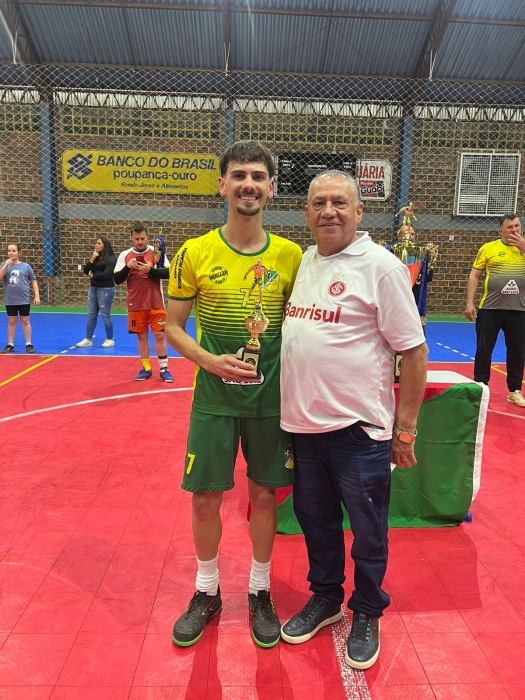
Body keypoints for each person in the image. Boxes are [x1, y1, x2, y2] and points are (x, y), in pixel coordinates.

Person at [279, 171, 427, 670]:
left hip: (358, 432)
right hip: (304, 429)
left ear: (359, 211)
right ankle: (325, 598)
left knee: (367, 530)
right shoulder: (305, 261)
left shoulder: (381, 267)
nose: (329, 211)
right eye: (319, 203)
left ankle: (366, 609)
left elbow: (414, 352)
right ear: (306, 213)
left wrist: (405, 429)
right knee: (315, 522)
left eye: (340, 202)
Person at [166, 141, 302, 649]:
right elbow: (172, 328)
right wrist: (208, 360)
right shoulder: (194, 252)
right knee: (205, 498)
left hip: (270, 402)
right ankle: (207, 590)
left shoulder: (291, 256)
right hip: (214, 399)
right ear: (222, 184)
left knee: (264, 496)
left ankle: (259, 591)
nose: (249, 184)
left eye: (258, 176)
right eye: (239, 175)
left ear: (271, 188)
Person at [464, 214, 525, 407]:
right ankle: (480, 388)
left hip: (520, 310)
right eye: (510, 227)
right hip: (490, 309)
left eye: (517, 226)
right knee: (484, 349)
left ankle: (514, 391)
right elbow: (474, 276)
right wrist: (469, 303)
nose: (514, 230)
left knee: (517, 352)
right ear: (500, 231)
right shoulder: (488, 248)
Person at [114, 223, 174, 382]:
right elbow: (117, 279)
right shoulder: (125, 255)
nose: (139, 242)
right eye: (136, 239)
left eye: (142, 238)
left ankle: (164, 369)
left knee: (159, 335)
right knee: (141, 337)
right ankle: (146, 368)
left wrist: (150, 270)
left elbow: (169, 273)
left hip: (156, 302)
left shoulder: (157, 252)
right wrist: (128, 267)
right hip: (135, 304)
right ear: (131, 238)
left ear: (147, 238)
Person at [76, 237, 117, 348]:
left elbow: (107, 274)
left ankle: (110, 339)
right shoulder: (96, 257)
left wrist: (93, 275)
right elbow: (86, 270)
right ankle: (88, 339)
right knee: (91, 314)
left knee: (105, 315)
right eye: (96, 243)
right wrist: (92, 259)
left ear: (105, 245)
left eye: (99, 243)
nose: (96, 245)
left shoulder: (111, 259)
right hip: (93, 288)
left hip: (106, 289)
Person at [0, 243, 40, 353]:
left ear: (19, 253)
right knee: (12, 321)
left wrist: (37, 296)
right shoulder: (4, 265)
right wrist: (5, 265)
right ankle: (10, 344)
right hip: (10, 299)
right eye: (9, 251)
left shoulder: (26, 266)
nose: (11, 253)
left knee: (25, 320)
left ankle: (28, 343)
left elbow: (33, 281)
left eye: (13, 251)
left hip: (23, 299)